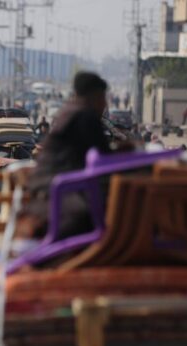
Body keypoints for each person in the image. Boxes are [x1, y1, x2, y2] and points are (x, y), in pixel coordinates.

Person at [22, 72, 113, 239]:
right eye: (102, 98)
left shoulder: (70, 112)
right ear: (94, 97)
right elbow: (104, 159)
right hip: (54, 189)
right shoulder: (85, 117)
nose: (104, 104)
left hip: (51, 185)